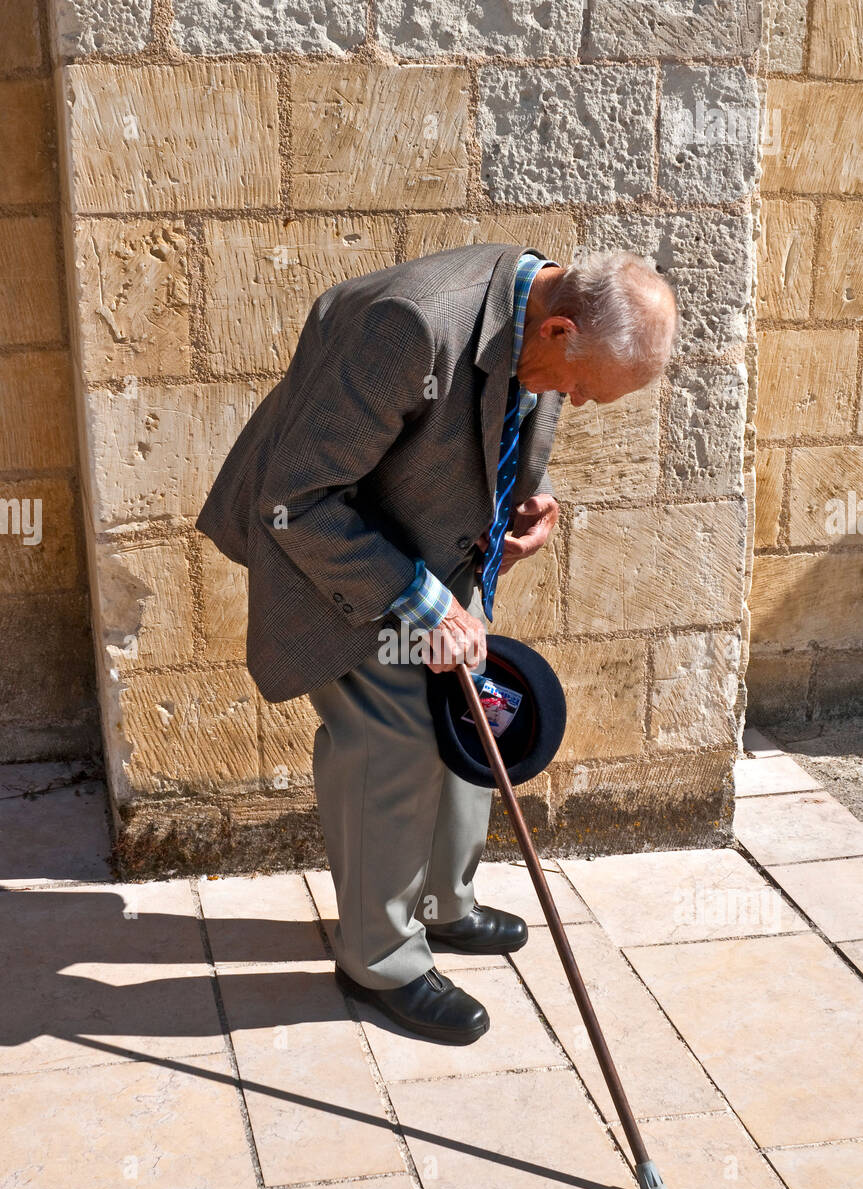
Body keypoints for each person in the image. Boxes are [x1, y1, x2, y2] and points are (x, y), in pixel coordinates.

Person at [196, 242, 678, 1044]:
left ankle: (440, 903)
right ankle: (377, 959)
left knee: (467, 718)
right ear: (558, 330)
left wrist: (532, 499)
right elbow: (299, 497)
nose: (580, 404)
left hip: (426, 547)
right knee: (393, 738)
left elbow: (511, 418)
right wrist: (423, 601)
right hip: (330, 557)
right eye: (582, 388)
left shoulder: (548, 319)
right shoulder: (411, 327)